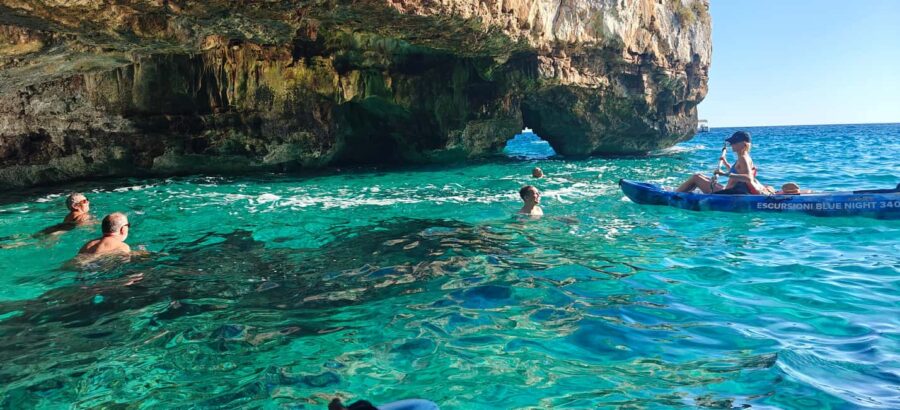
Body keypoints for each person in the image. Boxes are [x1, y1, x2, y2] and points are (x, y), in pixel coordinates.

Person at [676, 131, 771, 195]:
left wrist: (724, 174)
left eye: (734, 142)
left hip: (729, 193)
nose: (731, 144)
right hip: (728, 189)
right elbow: (739, 172)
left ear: (743, 144)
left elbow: (748, 178)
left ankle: (674, 195)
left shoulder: (743, 158)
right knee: (700, 175)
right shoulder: (745, 157)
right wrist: (726, 164)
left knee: (696, 177)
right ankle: (682, 193)